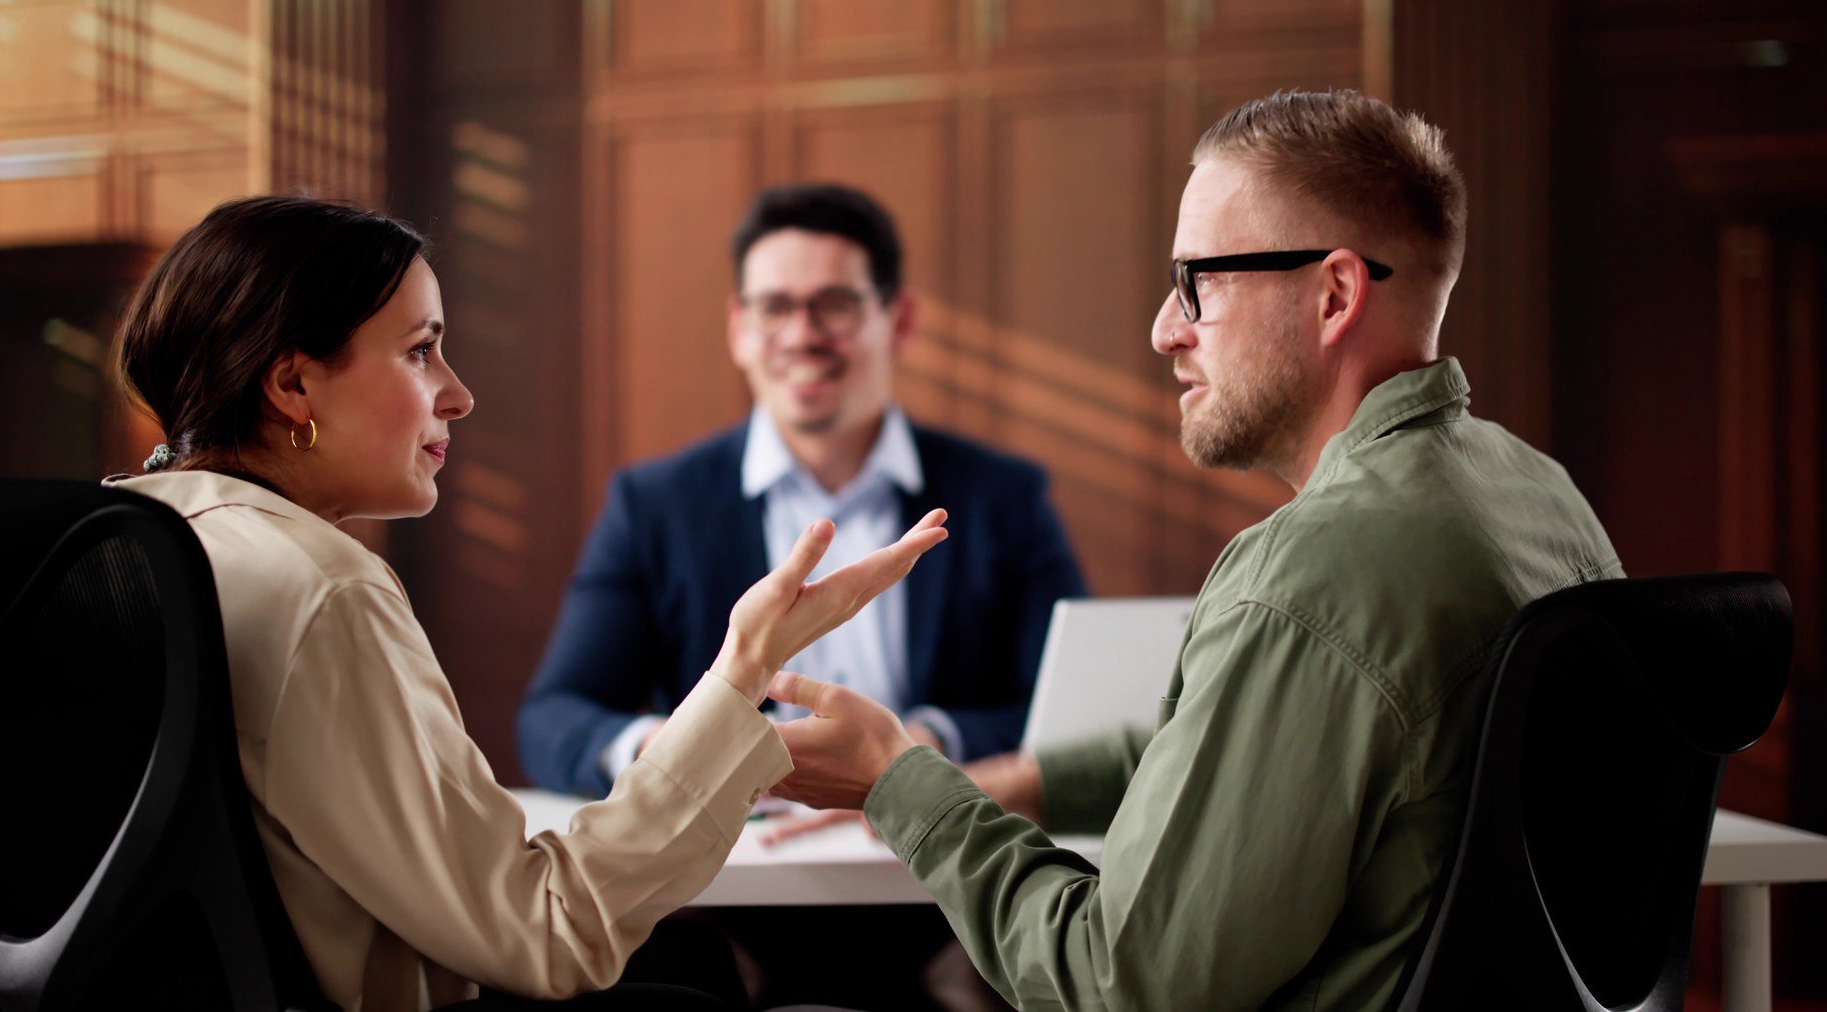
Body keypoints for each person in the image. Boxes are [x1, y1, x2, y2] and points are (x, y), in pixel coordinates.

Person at [763, 89, 1626, 1011]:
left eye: (1196, 283)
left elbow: (1119, 982)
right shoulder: (1540, 497)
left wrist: (901, 785)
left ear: (1334, 294)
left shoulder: (1314, 576)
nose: (1164, 329)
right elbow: (1297, 753)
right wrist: (1029, 779)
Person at [106, 194, 947, 1011]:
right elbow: (545, 932)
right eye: (419, 352)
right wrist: (745, 669)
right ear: (292, 386)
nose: (457, 394)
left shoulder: (109, 544)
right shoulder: (322, 589)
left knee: (682, 955)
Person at [515, 183, 1085, 799]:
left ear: (900, 321)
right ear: (739, 327)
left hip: (937, 870)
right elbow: (553, 720)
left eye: (834, 304)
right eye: (774, 308)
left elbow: (1072, 709)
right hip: (731, 876)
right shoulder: (653, 505)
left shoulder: (1005, 498)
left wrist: (927, 743)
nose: (801, 335)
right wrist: (672, 750)